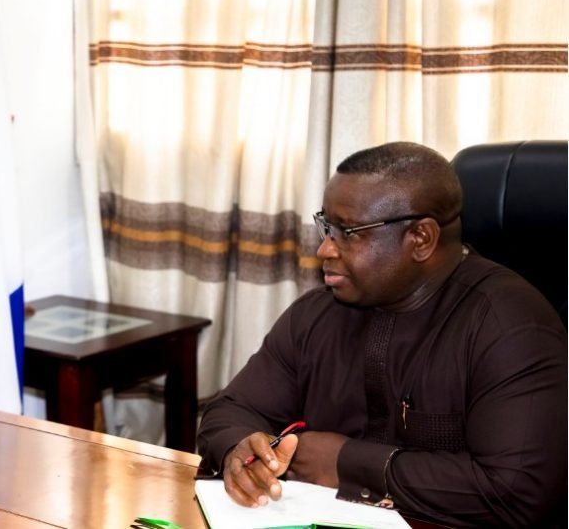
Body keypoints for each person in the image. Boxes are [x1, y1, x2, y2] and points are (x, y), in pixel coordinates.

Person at [196, 142, 566, 527]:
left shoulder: (509, 326)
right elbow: (229, 411)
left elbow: (517, 491)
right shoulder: (317, 312)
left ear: (421, 238)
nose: (324, 249)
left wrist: (347, 464)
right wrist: (240, 450)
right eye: (327, 227)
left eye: (348, 232)